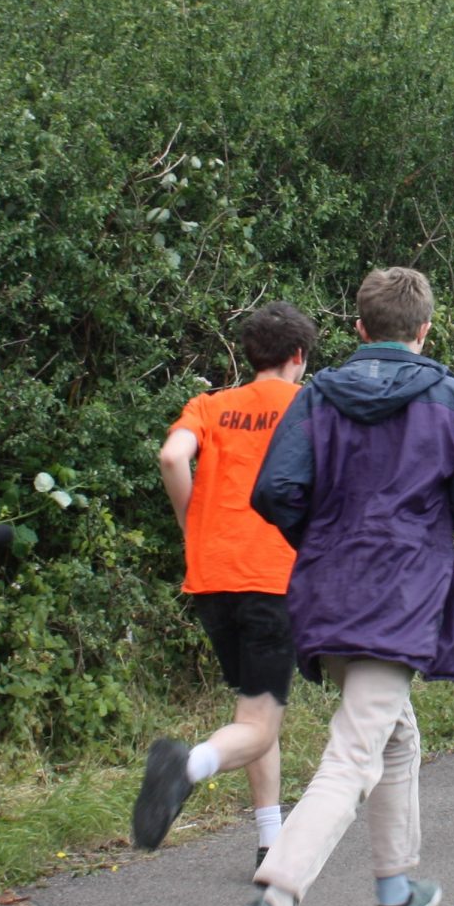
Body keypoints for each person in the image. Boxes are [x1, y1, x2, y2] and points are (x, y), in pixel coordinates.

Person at [230, 267, 454, 906]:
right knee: (354, 752)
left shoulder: (315, 397)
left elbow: (275, 491)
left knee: (394, 735)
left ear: (359, 329)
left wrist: (326, 534)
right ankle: (274, 902)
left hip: (329, 582)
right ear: (425, 329)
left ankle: (394, 889)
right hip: (403, 588)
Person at [137, 301, 320, 863]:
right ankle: (189, 766)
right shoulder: (309, 405)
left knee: (254, 711)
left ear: (250, 353)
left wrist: (192, 524)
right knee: (259, 724)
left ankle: (269, 840)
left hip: (213, 577)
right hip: (272, 575)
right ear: (298, 356)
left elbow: (172, 457)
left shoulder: (209, 405)